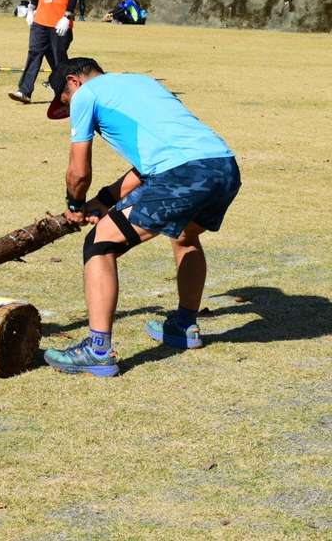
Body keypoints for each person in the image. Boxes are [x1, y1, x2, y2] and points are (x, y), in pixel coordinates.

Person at [42, 57, 240, 377]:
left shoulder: (86, 95)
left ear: (73, 82)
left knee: (100, 243)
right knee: (185, 235)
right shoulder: (142, 82)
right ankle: (184, 325)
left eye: (66, 100)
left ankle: (97, 350)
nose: (70, 107)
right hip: (223, 166)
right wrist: (105, 200)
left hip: (183, 173)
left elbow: (79, 172)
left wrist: (74, 205)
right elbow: (153, 160)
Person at [8, 0, 79, 104]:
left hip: (60, 23)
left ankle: (68, 91)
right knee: (34, 54)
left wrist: (67, 16)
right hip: (40, 22)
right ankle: (24, 92)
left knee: (58, 59)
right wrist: (31, 9)